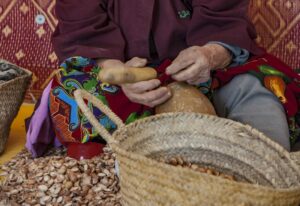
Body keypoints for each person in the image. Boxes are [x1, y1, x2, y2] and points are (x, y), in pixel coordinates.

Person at [26, 0, 300, 157]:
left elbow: (224, 15)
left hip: (201, 66)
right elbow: (82, 26)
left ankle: (260, 175)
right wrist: (118, 72)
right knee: (71, 93)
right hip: (119, 71)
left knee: (262, 85)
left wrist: (211, 54)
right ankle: (123, 167)